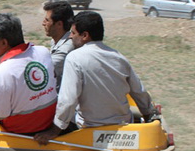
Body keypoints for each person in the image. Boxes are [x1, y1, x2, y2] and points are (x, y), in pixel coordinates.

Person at [34, 11, 155, 144]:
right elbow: (139, 92)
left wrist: (54, 130)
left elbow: (68, 100)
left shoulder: (74, 58)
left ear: (85, 35)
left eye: (73, 33)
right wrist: (149, 117)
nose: (70, 37)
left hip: (89, 127)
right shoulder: (119, 57)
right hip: (123, 124)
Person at [0, 13, 57, 134]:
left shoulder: (0, 74)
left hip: (21, 130)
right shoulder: (43, 51)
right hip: (50, 120)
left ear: (4, 43)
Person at [42, 0, 74, 91]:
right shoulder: (55, 41)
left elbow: (43, 70)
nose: (43, 23)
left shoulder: (66, 48)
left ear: (59, 24)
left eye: (47, 20)